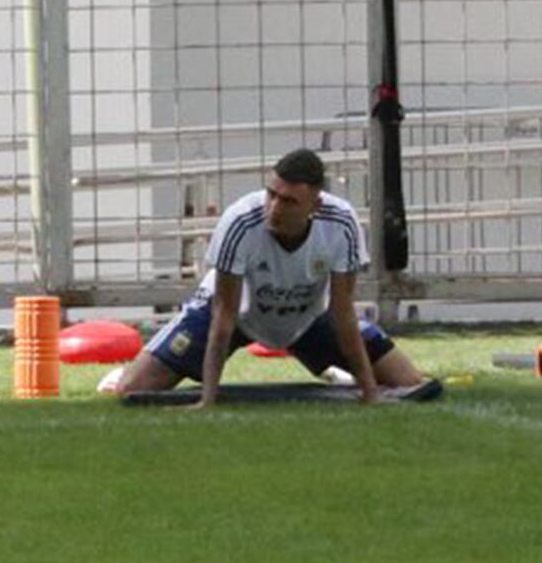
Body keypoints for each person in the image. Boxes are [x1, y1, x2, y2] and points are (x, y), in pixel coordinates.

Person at [108, 149, 434, 405]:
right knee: (131, 389)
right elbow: (223, 316)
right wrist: (208, 398)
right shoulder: (240, 222)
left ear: (314, 205)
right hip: (238, 315)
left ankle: (338, 373)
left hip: (308, 316)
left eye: (289, 201)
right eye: (271, 195)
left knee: (408, 382)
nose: (275, 208)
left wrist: (369, 391)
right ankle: (133, 366)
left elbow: (343, 311)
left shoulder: (341, 224)